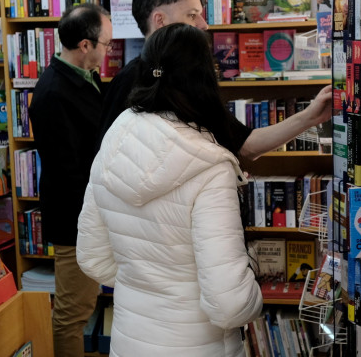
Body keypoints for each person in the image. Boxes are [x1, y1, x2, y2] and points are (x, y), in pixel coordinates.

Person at [77, 23, 262, 356]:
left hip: (130, 341)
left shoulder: (114, 144)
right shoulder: (210, 165)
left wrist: (145, 286)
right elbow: (230, 304)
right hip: (198, 346)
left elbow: (92, 258)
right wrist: (255, 295)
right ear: (203, 78)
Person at [96, 0, 333, 162]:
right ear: (160, 20)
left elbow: (245, 145)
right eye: (192, 15)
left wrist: (311, 116)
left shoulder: (192, 78)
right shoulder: (128, 81)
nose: (204, 25)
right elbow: (109, 160)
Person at [27, 3, 112, 357]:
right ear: (85, 45)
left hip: (91, 214)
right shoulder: (52, 94)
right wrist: (97, 218)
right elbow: (67, 173)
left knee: (84, 301)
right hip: (77, 220)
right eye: (105, 44)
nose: (108, 50)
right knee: (72, 312)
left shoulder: (85, 77)